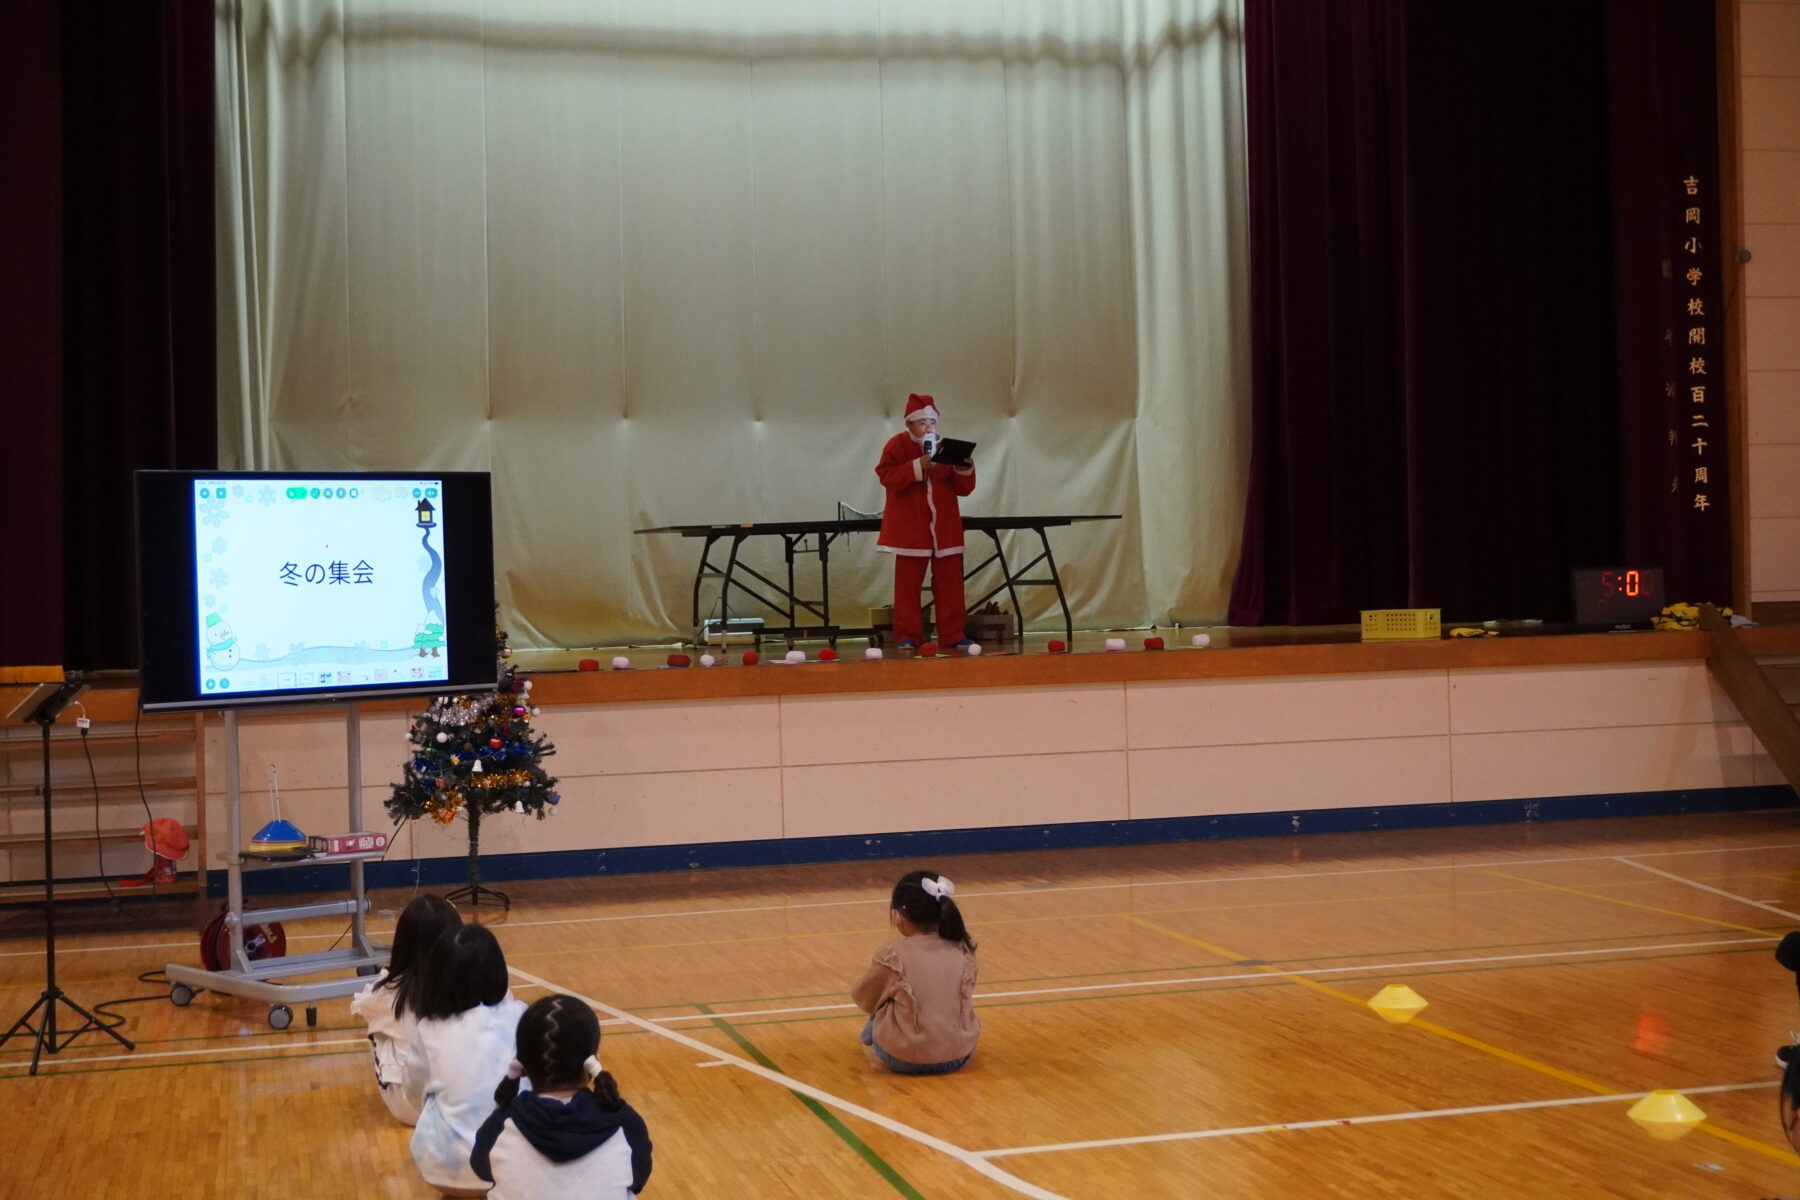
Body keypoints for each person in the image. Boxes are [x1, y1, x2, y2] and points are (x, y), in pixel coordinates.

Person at [472, 993, 654, 1199]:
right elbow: (639, 1177)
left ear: (523, 1065)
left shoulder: (503, 1122)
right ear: (592, 1062)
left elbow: (481, 1168)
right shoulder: (625, 1122)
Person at [401, 923, 528, 1196]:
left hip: (445, 1175)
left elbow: (413, 1092)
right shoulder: (521, 1015)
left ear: (438, 977)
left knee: (434, 1099)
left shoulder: (428, 1028)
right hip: (517, 1169)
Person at [851, 869, 980, 1075]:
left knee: (883, 998)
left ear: (896, 916)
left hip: (903, 1058)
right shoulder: (965, 946)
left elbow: (864, 1000)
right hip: (960, 1054)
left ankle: (871, 1035)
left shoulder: (892, 955)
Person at [875, 393, 977, 652]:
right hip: (910, 529)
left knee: (951, 585)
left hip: (945, 529)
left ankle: (952, 634)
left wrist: (964, 468)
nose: (929, 426)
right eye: (922, 422)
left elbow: (963, 489)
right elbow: (887, 477)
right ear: (909, 425)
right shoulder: (896, 445)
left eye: (932, 421)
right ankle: (908, 636)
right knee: (908, 587)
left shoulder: (945, 447)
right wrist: (918, 466)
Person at [349, 893, 462, 1124]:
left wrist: (388, 977)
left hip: (410, 1108)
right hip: (465, 1102)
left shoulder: (389, 994)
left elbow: (360, 1006)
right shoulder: (471, 984)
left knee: (378, 1032)